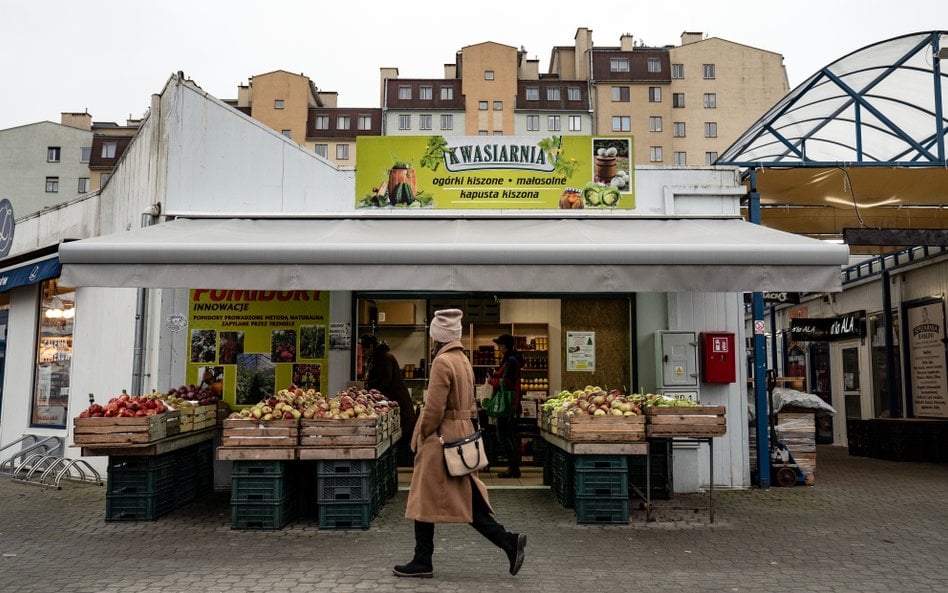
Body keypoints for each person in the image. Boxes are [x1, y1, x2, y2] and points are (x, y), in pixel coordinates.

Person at [395, 309, 526, 579]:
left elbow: (433, 409)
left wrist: (422, 435)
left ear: (437, 337)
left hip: (442, 437)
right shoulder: (462, 360)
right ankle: (506, 542)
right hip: (462, 434)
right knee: (459, 498)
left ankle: (424, 560)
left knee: (426, 495)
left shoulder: (442, 363)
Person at [359, 334, 416, 446]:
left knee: (401, 439)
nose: (363, 353)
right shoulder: (376, 357)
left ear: (371, 347)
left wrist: (368, 387)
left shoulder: (384, 358)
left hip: (398, 406)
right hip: (392, 405)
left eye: (364, 349)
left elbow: (385, 380)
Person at [490, 333, 524, 478]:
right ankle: (513, 467)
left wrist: (492, 380)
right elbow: (504, 377)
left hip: (508, 404)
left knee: (504, 435)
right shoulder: (511, 359)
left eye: (500, 345)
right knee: (508, 435)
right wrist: (496, 374)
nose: (499, 347)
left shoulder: (511, 360)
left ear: (505, 346)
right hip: (511, 402)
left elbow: (506, 383)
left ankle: (513, 468)